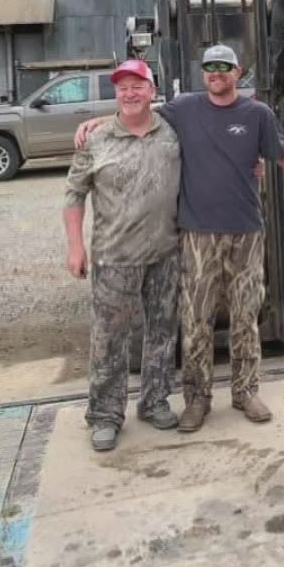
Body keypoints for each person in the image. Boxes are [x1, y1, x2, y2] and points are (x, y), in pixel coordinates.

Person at [75, 43, 284, 432]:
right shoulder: (184, 108)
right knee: (196, 319)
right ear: (203, 73)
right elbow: (136, 112)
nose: (216, 73)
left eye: (224, 66)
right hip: (197, 235)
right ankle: (197, 398)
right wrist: (98, 121)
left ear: (238, 72)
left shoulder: (259, 114)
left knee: (246, 316)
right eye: (210, 66)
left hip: (247, 232)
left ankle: (246, 391)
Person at [62, 58, 183, 452]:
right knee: (109, 339)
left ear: (152, 90)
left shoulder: (172, 130)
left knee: (163, 333)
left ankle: (154, 401)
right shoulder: (96, 139)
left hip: (165, 252)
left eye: (138, 86)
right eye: (122, 87)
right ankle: (104, 415)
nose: (129, 93)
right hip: (114, 257)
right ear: (115, 94)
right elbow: (74, 194)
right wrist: (76, 246)